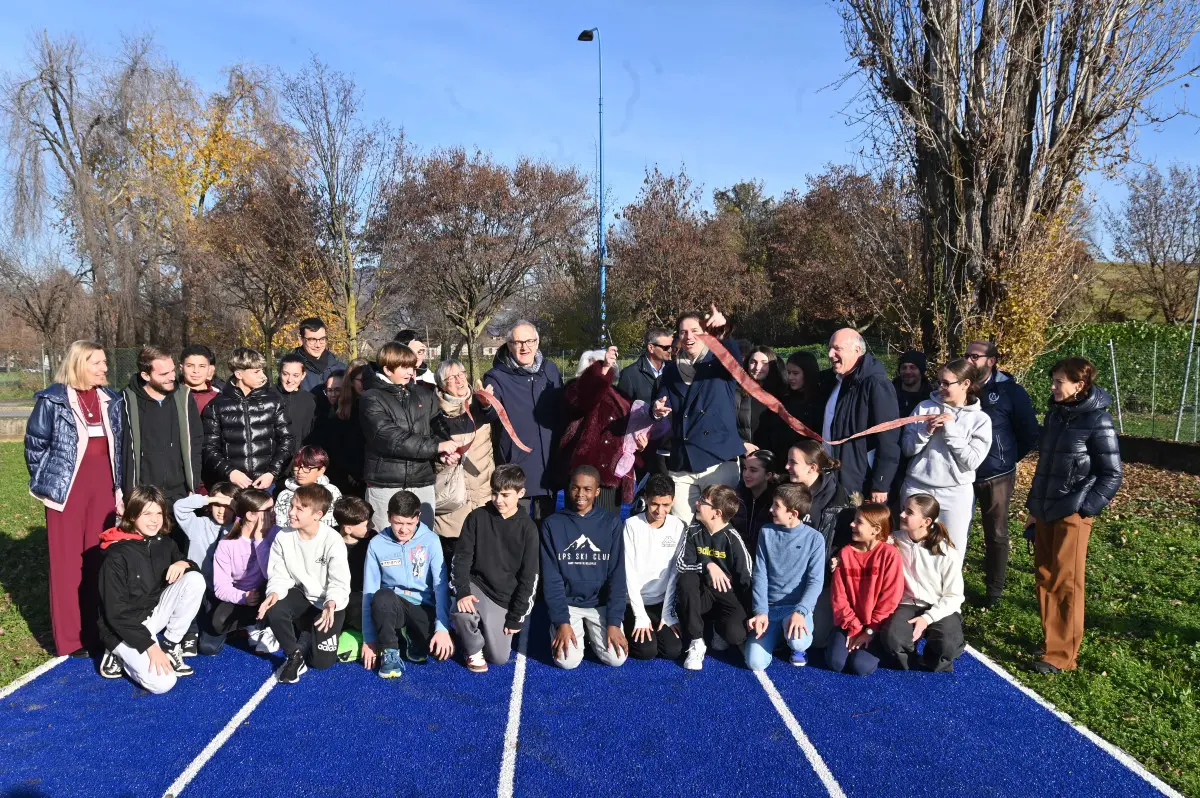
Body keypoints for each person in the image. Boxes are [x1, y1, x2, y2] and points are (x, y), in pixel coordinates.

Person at [25, 340, 124, 657]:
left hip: (105, 489)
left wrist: (119, 487)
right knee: (67, 565)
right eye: (98, 362)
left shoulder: (111, 399)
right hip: (67, 494)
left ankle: (98, 631)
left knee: (99, 558)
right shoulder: (53, 400)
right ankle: (71, 638)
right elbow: (35, 447)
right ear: (80, 363)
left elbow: (120, 448)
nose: (105, 368)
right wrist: (50, 483)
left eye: (105, 362)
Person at [1026, 357, 1122, 674]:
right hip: (1044, 509)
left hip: (1072, 513)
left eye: (1059, 382)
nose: (1053, 387)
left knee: (1066, 582)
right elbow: (1044, 467)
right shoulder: (1055, 416)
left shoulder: (1099, 421)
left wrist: (1085, 508)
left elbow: (1112, 474)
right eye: (1052, 380)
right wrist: (1032, 510)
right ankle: (1051, 641)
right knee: (1045, 576)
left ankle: (1062, 656)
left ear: (1079, 385)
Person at [96, 487, 204, 693]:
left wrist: (183, 564)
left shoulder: (164, 542)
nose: (154, 520)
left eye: (159, 513)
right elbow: (115, 613)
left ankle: (171, 644)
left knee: (195, 579)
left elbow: (188, 565)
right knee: (163, 683)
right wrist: (150, 647)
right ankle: (117, 653)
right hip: (122, 627)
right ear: (133, 515)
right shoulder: (116, 555)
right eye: (147, 513)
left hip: (152, 615)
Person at [652, 306, 750, 523]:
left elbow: (734, 361)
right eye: (683, 332)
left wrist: (722, 333)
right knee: (683, 527)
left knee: (716, 527)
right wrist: (656, 409)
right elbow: (661, 399)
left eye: (695, 330)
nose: (688, 337)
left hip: (717, 461)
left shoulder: (719, 363)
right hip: (682, 463)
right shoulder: (671, 369)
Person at [965, 340, 1040, 606]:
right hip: (961, 473)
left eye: (975, 356)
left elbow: (1030, 432)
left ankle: (993, 590)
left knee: (995, 533)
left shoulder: (1011, 392)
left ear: (991, 360)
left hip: (996, 474)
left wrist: (1005, 457)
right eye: (966, 355)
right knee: (955, 530)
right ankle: (950, 584)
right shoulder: (960, 386)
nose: (969, 359)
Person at [360, 343, 458, 531]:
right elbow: (389, 437)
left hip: (422, 481)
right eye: (404, 367)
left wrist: (443, 451)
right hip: (385, 484)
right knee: (386, 542)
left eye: (412, 367)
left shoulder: (424, 395)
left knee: (422, 543)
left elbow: (437, 427)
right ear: (387, 369)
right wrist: (436, 447)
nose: (410, 372)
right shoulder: (371, 398)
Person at [452, 465, 540, 672]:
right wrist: (462, 591)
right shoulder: (477, 517)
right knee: (462, 610)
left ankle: (478, 627)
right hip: (478, 586)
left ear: (521, 494)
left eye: (505, 495)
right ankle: (471, 648)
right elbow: (461, 558)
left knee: (498, 658)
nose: (498, 500)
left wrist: (516, 616)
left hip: (503, 597)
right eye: (495, 493)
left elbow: (530, 577)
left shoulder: (529, 529)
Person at [901, 358, 993, 556]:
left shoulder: (980, 420)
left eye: (946, 383)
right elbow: (907, 449)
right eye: (939, 382)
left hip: (955, 494)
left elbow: (972, 461)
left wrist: (951, 431)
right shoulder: (924, 407)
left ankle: (946, 588)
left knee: (951, 550)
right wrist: (925, 432)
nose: (941, 387)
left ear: (965, 384)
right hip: (918, 487)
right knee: (909, 549)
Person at [260, 483, 349, 684]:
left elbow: (340, 581)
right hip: (303, 597)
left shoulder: (333, 540)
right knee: (275, 607)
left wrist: (331, 603)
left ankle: (309, 634)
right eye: (292, 506)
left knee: (321, 663)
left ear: (318, 514)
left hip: (328, 605)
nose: (291, 512)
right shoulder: (283, 536)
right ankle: (294, 655)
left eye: (299, 509)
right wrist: (273, 592)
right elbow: (279, 575)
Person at [541, 466, 628, 670]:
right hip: (568, 605)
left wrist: (614, 623)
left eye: (587, 489)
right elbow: (551, 579)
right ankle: (563, 628)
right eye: (575, 488)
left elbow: (617, 575)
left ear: (597, 491)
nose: (580, 495)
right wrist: (562, 621)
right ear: (568, 488)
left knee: (617, 659)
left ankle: (590, 634)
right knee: (567, 662)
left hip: (600, 605)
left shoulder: (612, 523)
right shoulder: (552, 524)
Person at [361, 490, 455, 678]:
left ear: (418, 517)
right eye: (398, 523)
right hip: (394, 605)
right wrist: (369, 639)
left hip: (423, 606)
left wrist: (443, 628)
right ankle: (390, 651)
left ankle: (411, 635)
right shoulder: (376, 544)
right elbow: (369, 591)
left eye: (410, 523)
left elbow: (441, 586)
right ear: (389, 517)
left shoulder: (431, 541)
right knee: (381, 596)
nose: (404, 529)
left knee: (435, 652)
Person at [484, 320, 563, 528]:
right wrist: (485, 404)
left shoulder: (550, 370)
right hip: (516, 467)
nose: (524, 347)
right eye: (518, 342)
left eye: (529, 341)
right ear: (509, 345)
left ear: (537, 342)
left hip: (547, 467)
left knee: (544, 529)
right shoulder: (496, 376)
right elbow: (491, 414)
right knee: (513, 531)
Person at [745, 483, 825, 670]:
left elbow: (815, 581)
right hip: (770, 608)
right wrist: (761, 611)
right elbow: (760, 574)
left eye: (776, 506)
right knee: (755, 663)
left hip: (794, 609)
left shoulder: (815, 539)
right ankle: (779, 634)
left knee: (799, 642)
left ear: (793, 513)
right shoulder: (766, 532)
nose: (771, 509)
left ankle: (796, 646)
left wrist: (801, 612)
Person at [675, 484, 754, 671]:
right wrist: (708, 565)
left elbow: (746, 579)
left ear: (716, 513)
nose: (697, 503)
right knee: (686, 580)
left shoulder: (733, 539)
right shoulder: (693, 531)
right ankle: (696, 641)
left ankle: (719, 628)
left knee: (735, 634)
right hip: (702, 593)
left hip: (727, 595)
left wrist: (754, 614)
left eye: (702, 501)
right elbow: (681, 565)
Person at [121, 346, 203, 523]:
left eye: (172, 370)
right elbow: (123, 450)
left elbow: (196, 442)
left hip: (180, 492)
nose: (172, 377)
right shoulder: (127, 401)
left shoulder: (184, 397)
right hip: (145, 494)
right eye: (164, 374)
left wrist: (192, 484)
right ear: (145, 376)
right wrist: (129, 492)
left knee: (179, 547)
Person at [819, 328, 901, 504]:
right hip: (834, 475)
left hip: (859, 480)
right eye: (829, 349)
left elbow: (888, 438)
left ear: (856, 350)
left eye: (836, 348)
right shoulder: (838, 381)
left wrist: (881, 483)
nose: (830, 354)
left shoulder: (876, 384)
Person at [885, 494, 965, 672]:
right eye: (903, 509)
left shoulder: (947, 552)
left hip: (939, 606)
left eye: (909, 512)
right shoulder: (894, 540)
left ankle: (935, 658)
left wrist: (927, 619)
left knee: (947, 644)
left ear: (926, 521)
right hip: (907, 603)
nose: (902, 515)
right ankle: (908, 659)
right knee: (893, 640)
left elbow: (954, 596)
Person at [431, 358, 497, 565]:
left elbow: (494, 417)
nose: (459, 381)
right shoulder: (433, 411)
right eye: (451, 378)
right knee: (455, 561)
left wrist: (487, 404)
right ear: (442, 385)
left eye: (461, 374)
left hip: (483, 491)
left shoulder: (480, 403)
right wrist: (440, 455)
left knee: (484, 558)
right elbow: (427, 445)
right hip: (453, 497)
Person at [201, 347, 295, 492]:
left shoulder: (274, 401)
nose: (262, 376)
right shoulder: (216, 405)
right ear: (239, 373)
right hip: (231, 486)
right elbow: (208, 447)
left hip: (266, 485)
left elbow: (288, 440)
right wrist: (230, 472)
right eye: (256, 372)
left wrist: (272, 473)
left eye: (262, 370)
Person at [826, 503, 903, 676]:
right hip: (850, 623)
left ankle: (881, 648)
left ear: (875, 529)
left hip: (875, 626)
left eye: (858, 522)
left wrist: (869, 631)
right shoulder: (845, 554)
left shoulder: (889, 555)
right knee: (836, 663)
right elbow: (839, 597)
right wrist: (853, 626)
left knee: (861, 667)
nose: (852, 525)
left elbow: (890, 599)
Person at [559, 346, 636, 514]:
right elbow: (586, 398)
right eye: (596, 366)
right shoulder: (574, 390)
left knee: (608, 525)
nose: (601, 369)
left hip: (612, 473)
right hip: (583, 475)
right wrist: (603, 370)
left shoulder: (620, 395)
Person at [206, 489, 280, 656]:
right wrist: (243, 598)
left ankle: (269, 627)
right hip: (243, 596)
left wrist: (260, 539)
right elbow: (221, 587)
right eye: (268, 511)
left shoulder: (276, 534)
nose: (273, 514)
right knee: (218, 622)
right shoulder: (227, 544)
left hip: (269, 591)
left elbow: (272, 574)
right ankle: (252, 624)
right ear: (251, 515)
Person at [622, 474, 685, 662]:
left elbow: (674, 573)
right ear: (646, 499)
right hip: (633, 603)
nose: (660, 510)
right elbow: (629, 573)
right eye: (655, 504)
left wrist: (668, 613)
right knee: (646, 651)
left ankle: (655, 622)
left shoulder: (678, 526)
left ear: (672, 501)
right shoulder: (632, 525)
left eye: (666, 505)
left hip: (660, 603)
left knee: (673, 650)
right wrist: (640, 615)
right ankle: (626, 625)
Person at [172, 482, 238, 655]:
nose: (221, 510)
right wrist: (210, 498)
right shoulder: (198, 525)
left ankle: (225, 629)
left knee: (208, 648)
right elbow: (178, 507)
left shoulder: (239, 530)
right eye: (217, 505)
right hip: (198, 590)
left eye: (228, 506)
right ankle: (190, 632)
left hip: (221, 594)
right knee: (189, 596)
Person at [617, 327, 674, 478]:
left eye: (672, 346)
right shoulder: (629, 375)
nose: (670, 350)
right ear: (651, 347)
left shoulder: (674, 371)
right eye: (666, 347)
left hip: (670, 447)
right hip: (644, 452)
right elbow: (623, 415)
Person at [755, 351, 822, 461]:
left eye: (795, 373)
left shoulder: (820, 402)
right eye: (789, 372)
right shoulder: (783, 399)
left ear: (808, 373)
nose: (790, 377)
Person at [316, 364, 368, 498]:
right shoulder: (322, 412)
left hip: (353, 478)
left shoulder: (356, 412)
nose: (332, 394)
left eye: (337, 390)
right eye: (329, 390)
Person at [332, 496, 375, 631]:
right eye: (366, 524)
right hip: (335, 592)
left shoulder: (373, 539)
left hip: (362, 593)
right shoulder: (329, 538)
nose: (371, 526)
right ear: (348, 529)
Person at [274, 446, 343, 528]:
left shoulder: (332, 491)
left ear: (321, 470)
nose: (300, 472)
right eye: (297, 466)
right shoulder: (284, 495)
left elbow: (336, 523)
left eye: (307, 468)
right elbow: (280, 525)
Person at [732, 449, 779, 558]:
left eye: (753, 470)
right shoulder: (736, 496)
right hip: (738, 559)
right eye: (745, 469)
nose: (746, 474)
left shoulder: (776, 501)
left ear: (768, 475)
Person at [737, 346, 785, 443]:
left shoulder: (783, 393)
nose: (757, 367)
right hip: (746, 453)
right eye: (753, 362)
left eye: (764, 363)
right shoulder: (737, 392)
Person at [293, 317, 347, 394]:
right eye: (312, 340)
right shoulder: (291, 372)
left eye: (322, 339)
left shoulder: (342, 369)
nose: (318, 345)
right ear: (301, 340)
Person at [277, 353, 317, 449]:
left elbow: (309, 434)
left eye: (295, 375)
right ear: (279, 372)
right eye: (285, 374)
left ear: (303, 375)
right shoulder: (268, 396)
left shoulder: (310, 400)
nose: (290, 380)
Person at [179, 344, 221, 417]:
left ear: (209, 369)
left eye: (202, 366)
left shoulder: (219, 397)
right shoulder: (172, 396)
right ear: (181, 368)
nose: (196, 371)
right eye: (190, 366)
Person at [893, 350, 933, 418]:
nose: (907, 372)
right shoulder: (889, 394)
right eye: (904, 367)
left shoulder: (930, 398)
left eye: (912, 367)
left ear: (921, 371)